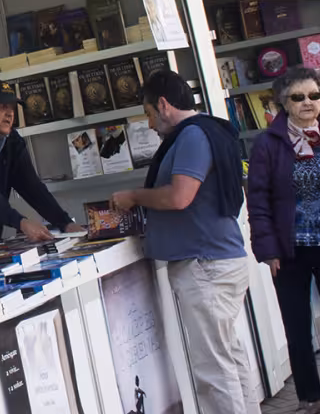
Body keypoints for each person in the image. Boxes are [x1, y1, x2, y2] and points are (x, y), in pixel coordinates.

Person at [110, 70, 258, 414]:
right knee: (227, 357)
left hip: (205, 265)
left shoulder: (192, 136)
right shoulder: (209, 129)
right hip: (215, 259)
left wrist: (135, 196)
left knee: (214, 368)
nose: (150, 124)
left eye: (148, 113)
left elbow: (180, 196)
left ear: (163, 104)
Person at [246, 67, 320, 414]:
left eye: (314, 95)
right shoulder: (268, 145)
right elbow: (258, 201)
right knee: (297, 328)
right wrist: (268, 249)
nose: (307, 102)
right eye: (298, 97)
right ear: (283, 103)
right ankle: (310, 400)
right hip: (290, 251)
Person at [0, 78, 85, 242]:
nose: (10, 113)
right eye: (2, 106)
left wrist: (65, 223)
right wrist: (21, 222)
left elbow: (32, 187)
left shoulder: (11, 140)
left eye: (11, 107)